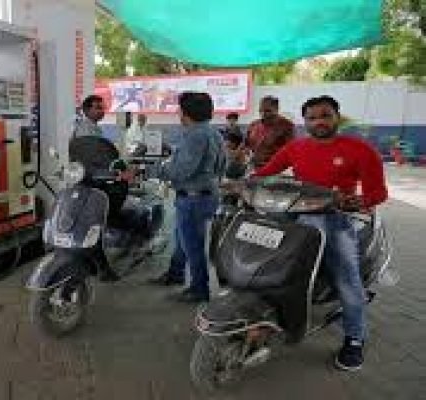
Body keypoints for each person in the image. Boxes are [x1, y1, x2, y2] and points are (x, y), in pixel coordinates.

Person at [254, 95, 388, 371]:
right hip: (296, 213)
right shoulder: (296, 147)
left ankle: (355, 337)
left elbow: (378, 192)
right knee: (264, 252)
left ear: (337, 117)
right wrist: (240, 185)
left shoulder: (360, 150)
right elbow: (265, 173)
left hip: (335, 218)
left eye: (325, 115)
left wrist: (360, 201)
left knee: (347, 279)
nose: (319, 122)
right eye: (312, 118)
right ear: (305, 122)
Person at [154, 92, 227, 302]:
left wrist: (154, 170)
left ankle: (199, 289)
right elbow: (222, 164)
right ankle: (175, 273)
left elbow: (182, 169)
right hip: (207, 195)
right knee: (182, 238)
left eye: (180, 109)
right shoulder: (214, 132)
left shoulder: (194, 135)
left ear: (186, 113)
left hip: (192, 198)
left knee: (192, 245)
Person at [246, 96, 295, 168]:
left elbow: (291, 150)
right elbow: (246, 145)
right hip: (255, 166)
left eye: (267, 111)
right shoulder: (253, 125)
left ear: (276, 109)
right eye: (261, 110)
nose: (263, 113)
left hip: (276, 168)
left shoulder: (286, 126)